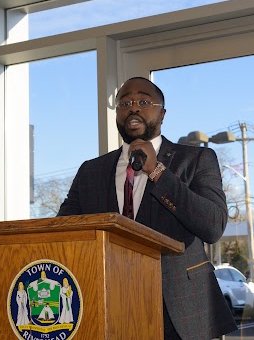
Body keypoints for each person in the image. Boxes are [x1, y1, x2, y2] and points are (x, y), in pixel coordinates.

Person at [58, 77, 237, 339]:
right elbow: (63, 232)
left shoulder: (197, 159)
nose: (134, 108)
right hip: (108, 304)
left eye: (144, 101)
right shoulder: (91, 171)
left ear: (162, 113)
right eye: (125, 102)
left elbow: (213, 225)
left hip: (181, 311)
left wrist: (157, 172)